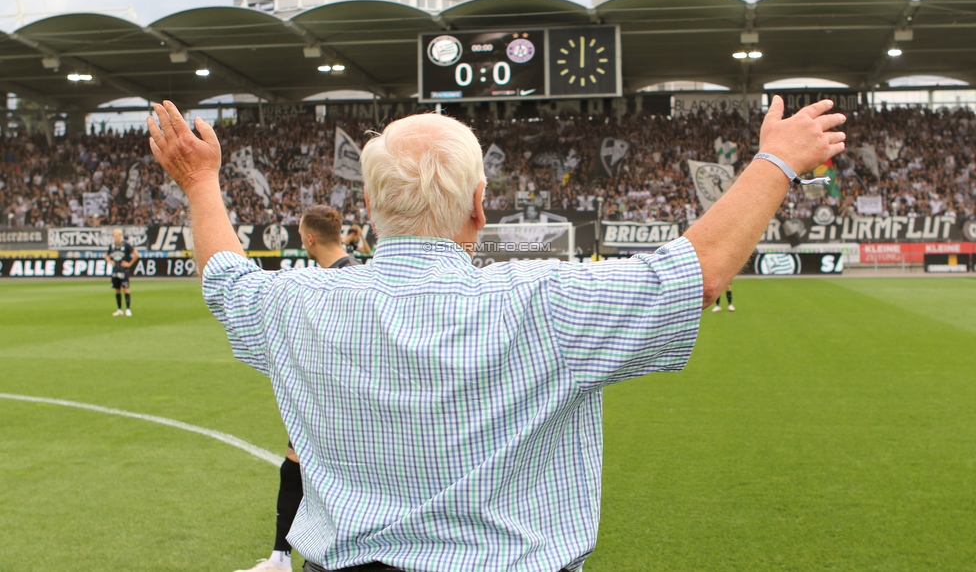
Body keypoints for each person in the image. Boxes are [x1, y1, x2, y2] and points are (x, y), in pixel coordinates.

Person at [147, 95, 845, 572]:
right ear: (479, 206)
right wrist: (777, 161)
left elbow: (223, 276)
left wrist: (201, 183)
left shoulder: (298, 304)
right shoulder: (544, 302)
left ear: (370, 207)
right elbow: (697, 274)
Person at [236, 205, 362, 572]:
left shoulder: (344, 281)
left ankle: (302, 555)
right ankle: (279, 556)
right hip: (320, 399)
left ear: (309, 239)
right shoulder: (343, 275)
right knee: (293, 470)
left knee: (314, 475)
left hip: (339, 404)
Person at [104, 228, 139, 316]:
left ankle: (128, 309)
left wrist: (129, 263)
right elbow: (106, 255)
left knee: (126, 289)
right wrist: (110, 261)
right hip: (115, 270)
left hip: (124, 270)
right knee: (117, 290)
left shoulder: (126, 245)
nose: (116, 237)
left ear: (120, 235)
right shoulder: (112, 246)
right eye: (114, 236)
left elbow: (136, 254)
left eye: (117, 235)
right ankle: (119, 309)